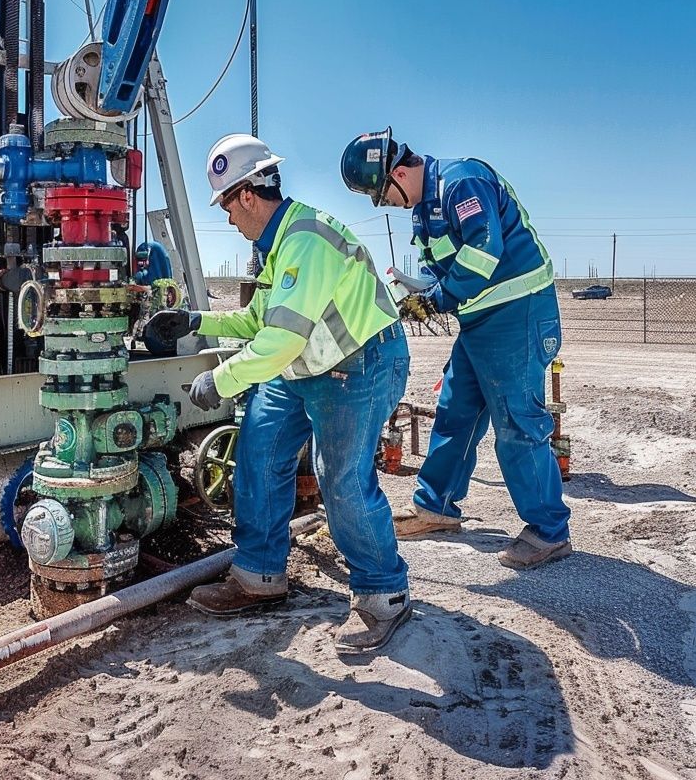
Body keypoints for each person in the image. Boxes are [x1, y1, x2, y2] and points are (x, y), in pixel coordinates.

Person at [144, 133, 412, 652]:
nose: (227, 218)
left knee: (342, 479)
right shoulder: (278, 243)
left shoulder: (305, 240)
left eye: (226, 204)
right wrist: (195, 320)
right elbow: (259, 321)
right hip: (307, 365)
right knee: (260, 448)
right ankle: (258, 577)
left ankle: (384, 595)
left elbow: (282, 338)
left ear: (247, 194)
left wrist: (220, 380)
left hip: (358, 364)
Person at [340, 128, 571, 570]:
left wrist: (437, 299)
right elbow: (442, 270)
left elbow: (484, 251)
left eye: (383, 196)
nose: (386, 204)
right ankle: (437, 507)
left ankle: (549, 531)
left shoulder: (461, 182)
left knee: (518, 423)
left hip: (517, 312)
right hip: (480, 319)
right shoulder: (423, 212)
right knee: (455, 412)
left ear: (399, 173)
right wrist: (416, 290)